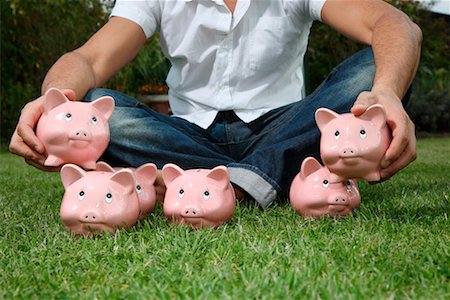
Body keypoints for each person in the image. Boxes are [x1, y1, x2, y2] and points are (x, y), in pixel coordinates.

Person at [9, 0, 422, 208]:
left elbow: (394, 24)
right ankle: (265, 177)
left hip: (284, 126)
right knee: (92, 105)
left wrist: (385, 91)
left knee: (376, 68)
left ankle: (202, 182)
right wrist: (52, 102)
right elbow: (88, 60)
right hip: (185, 134)